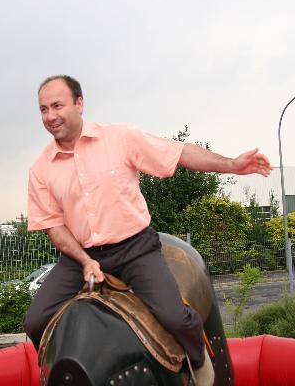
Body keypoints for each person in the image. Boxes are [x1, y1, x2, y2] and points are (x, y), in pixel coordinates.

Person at [24, 75, 271, 384]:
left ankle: (197, 358)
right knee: (34, 321)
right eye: (43, 109)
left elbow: (178, 153)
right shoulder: (40, 169)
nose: (50, 116)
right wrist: (85, 260)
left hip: (134, 249)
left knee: (174, 318)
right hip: (79, 257)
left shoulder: (120, 138)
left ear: (79, 104)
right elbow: (54, 227)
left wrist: (232, 165)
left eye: (57, 106)